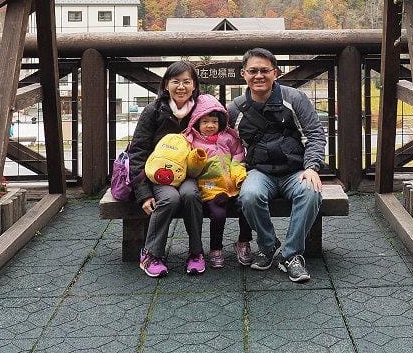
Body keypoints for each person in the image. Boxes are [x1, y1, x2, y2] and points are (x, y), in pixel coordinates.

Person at [230, 48, 326, 283]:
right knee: (249, 195)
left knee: (311, 191)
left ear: (276, 72)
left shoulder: (294, 98)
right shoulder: (235, 109)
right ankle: (268, 244)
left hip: (296, 170)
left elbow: (315, 134)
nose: (259, 76)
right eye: (253, 71)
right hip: (259, 171)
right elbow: (226, 144)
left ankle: (291, 254)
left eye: (265, 70)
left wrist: (312, 167)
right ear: (244, 74)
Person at [127, 60, 205, 277]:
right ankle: (151, 254)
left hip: (188, 174)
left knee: (190, 194)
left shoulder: (201, 111)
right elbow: (138, 151)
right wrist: (143, 194)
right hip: (159, 175)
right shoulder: (153, 111)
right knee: (170, 198)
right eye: (175, 81)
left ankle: (196, 252)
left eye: (187, 82)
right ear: (165, 85)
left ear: (194, 85)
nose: (181, 87)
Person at [182, 93, 254, 268]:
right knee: (218, 215)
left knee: (246, 207)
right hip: (211, 189)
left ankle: (243, 241)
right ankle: (215, 248)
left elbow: (238, 156)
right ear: (196, 122)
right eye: (205, 121)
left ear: (220, 122)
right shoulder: (192, 142)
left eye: (214, 121)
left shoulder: (228, 137)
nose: (210, 125)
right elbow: (191, 168)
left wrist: (239, 176)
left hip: (233, 186)